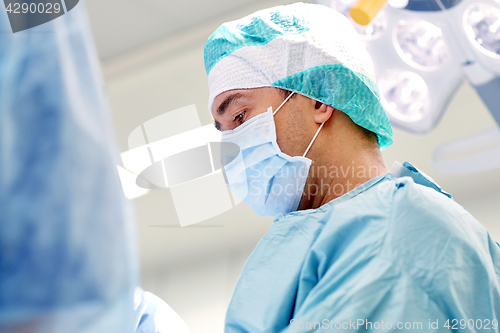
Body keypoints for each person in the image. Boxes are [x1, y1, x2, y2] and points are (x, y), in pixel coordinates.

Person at [203, 2, 500, 332]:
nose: (232, 148)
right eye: (224, 131)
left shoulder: (400, 229)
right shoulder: (318, 241)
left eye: (240, 117)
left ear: (318, 98)